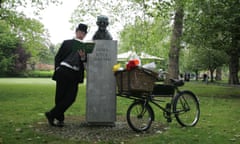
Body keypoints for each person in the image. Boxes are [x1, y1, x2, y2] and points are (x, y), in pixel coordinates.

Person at [45, 23, 88, 127]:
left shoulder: (86, 48)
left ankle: (51, 114)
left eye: (83, 33)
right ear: (76, 32)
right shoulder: (67, 43)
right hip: (63, 70)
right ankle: (60, 119)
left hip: (75, 73)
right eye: (79, 32)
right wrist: (58, 68)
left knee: (71, 98)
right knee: (60, 96)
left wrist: (83, 57)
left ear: (85, 35)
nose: (81, 34)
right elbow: (58, 57)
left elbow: (85, 63)